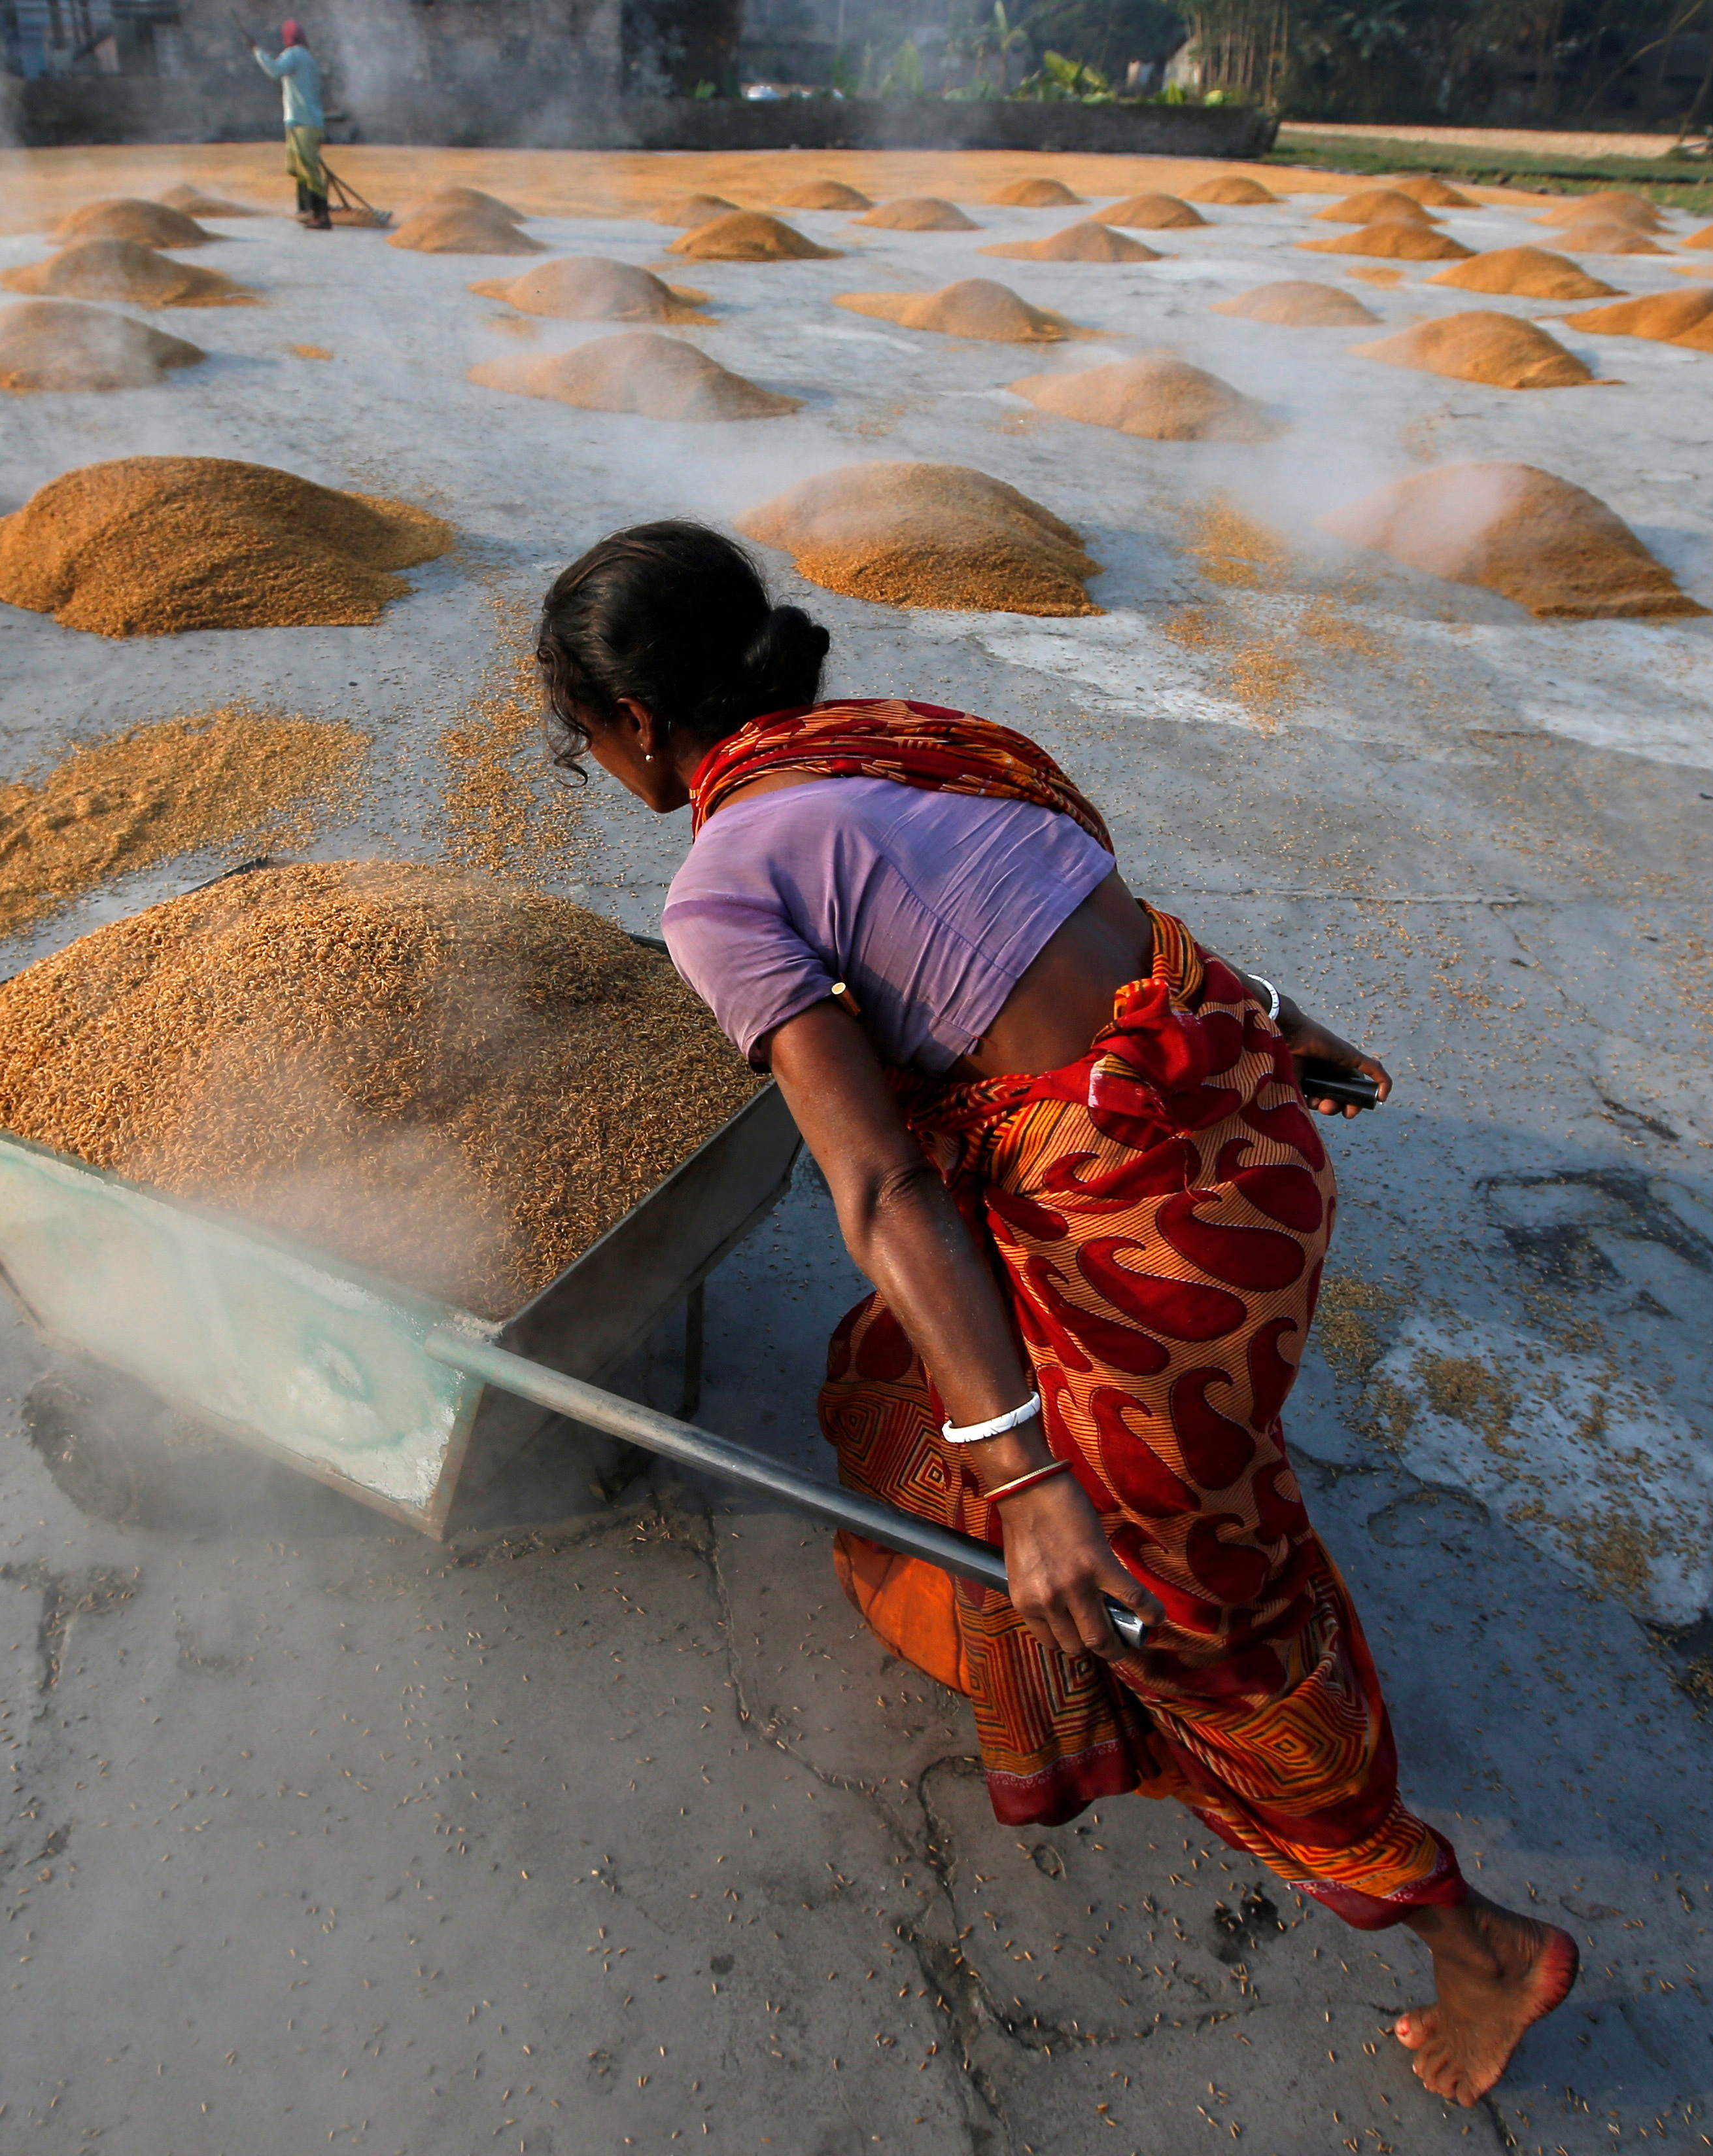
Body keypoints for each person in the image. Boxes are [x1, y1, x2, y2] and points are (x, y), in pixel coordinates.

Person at [532, 522, 1579, 2108]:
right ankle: (1119, 1596)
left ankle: (1478, 1935)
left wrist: (1026, 1475)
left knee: (1203, 1627)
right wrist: (1296, 1027)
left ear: (632, 730)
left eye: (576, 738)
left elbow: (882, 1190)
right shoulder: (933, 749)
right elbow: (1113, 921)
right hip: (1243, 1127)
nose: (586, 760)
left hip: (1158, 1263)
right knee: (910, 1376)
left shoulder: (724, 881)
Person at [247, 19, 331, 231]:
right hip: (311, 122)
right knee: (303, 168)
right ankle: (307, 211)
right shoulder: (309, 59)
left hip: (302, 122)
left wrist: (258, 52)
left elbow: (275, 71)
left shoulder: (293, 55)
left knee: (308, 171)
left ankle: (320, 216)